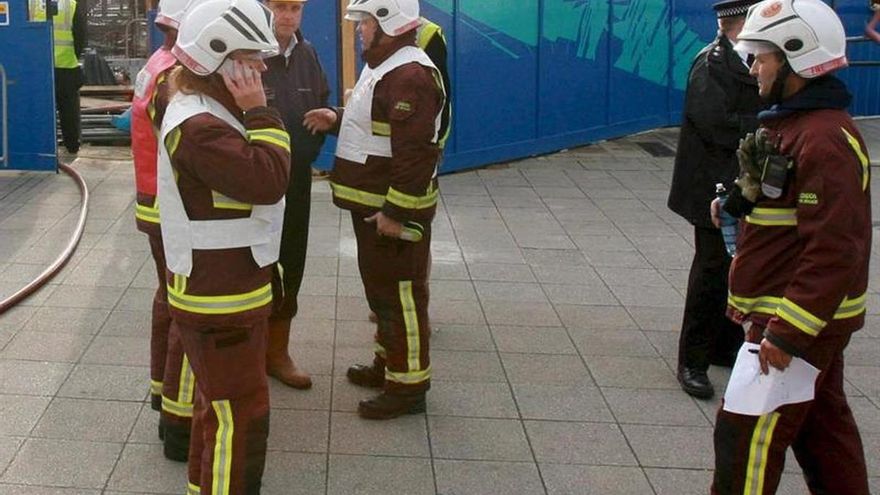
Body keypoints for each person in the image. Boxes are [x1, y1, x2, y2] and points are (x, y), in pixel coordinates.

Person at [711, 0, 871, 493]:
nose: (754, 67)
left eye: (763, 56)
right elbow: (783, 203)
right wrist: (739, 203)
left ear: (797, 59)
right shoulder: (794, 125)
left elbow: (835, 249)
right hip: (803, 321)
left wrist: (786, 335)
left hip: (791, 322)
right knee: (825, 437)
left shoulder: (823, 139)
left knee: (745, 442)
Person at [159, 0, 289, 490]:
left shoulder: (208, 110)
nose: (261, 67)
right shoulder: (200, 127)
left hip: (226, 289)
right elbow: (268, 179)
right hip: (221, 298)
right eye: (252, 57)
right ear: (218, 56)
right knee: (240, 416)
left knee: (216, 409)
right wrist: (261, 112)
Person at [304, 0, 445, 420]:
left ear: (387, 21)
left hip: (391, 215)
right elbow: (378, 121)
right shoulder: (386, 65)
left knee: (402, 296)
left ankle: (408, 387)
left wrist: (396, 213)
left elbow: (415, 152)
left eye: (365, 22)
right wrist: (337, 116)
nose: (360, 30)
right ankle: (389, 363)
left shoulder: (411, 75)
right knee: (382, 293)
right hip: (373, 209)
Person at [666, 0, 762, 399]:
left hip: (737, 185)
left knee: (732, 268)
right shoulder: (711, 64)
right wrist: (769, 126)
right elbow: (717, 127)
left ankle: (724, 345)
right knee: (709, 273)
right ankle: (693, 361)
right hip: (710, 187)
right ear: (736, 25)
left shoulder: (752, 60)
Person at [129, 0, 195, 462]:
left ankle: (160, 390)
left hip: (153, 200)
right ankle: (177, 417)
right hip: (172, 208)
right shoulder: (175, 77)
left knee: (166, 300)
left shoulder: (158, 62)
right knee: (184, 307)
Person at [261, 0, 330, 390]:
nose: (288, 16)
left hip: (297, 180)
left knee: (291, 260)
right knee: (257, 261)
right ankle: (252, 350)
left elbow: (319, 102)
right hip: (255, 184)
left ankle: (278, 351)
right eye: (281, 7)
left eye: (295, 8)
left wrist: (310, 147)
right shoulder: (250, 53)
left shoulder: (308, 54)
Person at [34, 0, 86, 159]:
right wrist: (73, 56)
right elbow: (80, 36)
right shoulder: (71, 4)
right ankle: (71, 145)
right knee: (68, 110)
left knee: (41, 108)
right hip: (66, 66)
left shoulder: (32, 4)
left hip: (40, 66)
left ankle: (43, 147)